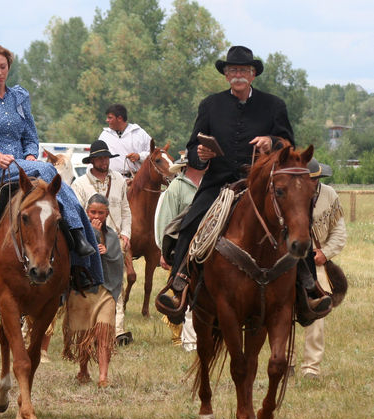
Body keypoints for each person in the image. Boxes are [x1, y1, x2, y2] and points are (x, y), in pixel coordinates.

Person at [157, 45, 319, 322]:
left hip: (262, 185)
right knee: (190, 222)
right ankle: (179, 284)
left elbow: (288, 144)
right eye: (233, 70)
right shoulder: (210, 105)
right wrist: (200, 154)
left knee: (297, 221)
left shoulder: (274, 105)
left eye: (244, 70)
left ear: (253, 74)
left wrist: (272, 142)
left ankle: (308, 289)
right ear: (226, 75)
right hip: (218, 183)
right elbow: (193, 145)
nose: (238, 74)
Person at [0, 43, 101, 286]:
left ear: (8, 67)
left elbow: (30, 136)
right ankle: (79, 236)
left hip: (25, 166)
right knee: (49, 171)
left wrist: (31, 156)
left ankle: (72, 251)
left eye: (3, 67)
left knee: (54, 184)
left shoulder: (19, 96)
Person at [71, 140, 132, 345]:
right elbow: (76, 215)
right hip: (90, 238)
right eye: (100, 158)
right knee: (92, 282)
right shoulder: (79, 184)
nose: (104, 161)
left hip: (114, 237)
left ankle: (117, 330)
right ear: (92, 160)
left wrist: (125, 233)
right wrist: (89, 236)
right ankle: (90, 327)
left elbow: (125, 209)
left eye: (106, 157)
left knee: (116, 280)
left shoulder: (120, 181)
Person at [290, 159, 347, 379]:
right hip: (289, 259)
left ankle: (311, 367)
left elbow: (339, 232)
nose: (310, 183)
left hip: (316, 262)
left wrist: (326, 253)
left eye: (314, 179)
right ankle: (286, 363)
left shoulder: (330, 195)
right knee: (284, 312)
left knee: (318, 312)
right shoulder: (288, 193)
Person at [63, 193, 123, 388]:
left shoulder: (113, 235)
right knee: (84, 334)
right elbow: (79, 256)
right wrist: (94, 236)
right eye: (92, 212)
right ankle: (83, 370)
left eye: (101, 213)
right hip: (83, 289)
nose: (96, 216)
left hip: (105, 291)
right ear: (86, 212)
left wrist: (107, 251)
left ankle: (103, 376)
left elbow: (117, 262)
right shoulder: (77, 234)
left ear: (107, 213)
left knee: (104, 332)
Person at [154, 151, 204, 349]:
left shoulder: (210, 185)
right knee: (184, 292)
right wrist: (164, 250)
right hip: (183, 249)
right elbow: (166, 220)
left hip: (206, 246)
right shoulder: (177, 187)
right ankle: (187, 339)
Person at [98, 104, 152, 178]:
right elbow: (95, 158)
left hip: (135, 181)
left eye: (110, 118)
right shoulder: (104, 136)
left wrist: (139, 156)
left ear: (119, 118)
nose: (107, 120)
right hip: (111, 181)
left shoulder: (139, 133)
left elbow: (155, 155)